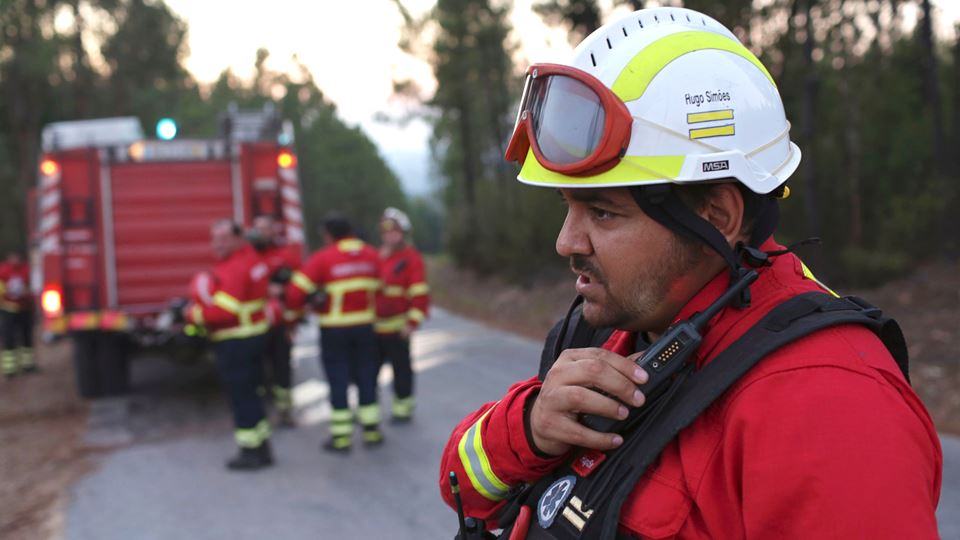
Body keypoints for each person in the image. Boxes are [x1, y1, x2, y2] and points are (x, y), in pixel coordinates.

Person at [439, 7, 941, 539]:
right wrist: (529, 428)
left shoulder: (829, 407)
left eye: (603, 212)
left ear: (717, 217)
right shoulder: (618, 325)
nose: (566, 242)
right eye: (567, 207)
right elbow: (461, 488)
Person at [287, 215, 383, 452]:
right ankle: (371, 431)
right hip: (366, 328)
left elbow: (295, 292)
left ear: (328, 235)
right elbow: (382, 287)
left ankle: (341, 438)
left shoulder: (323, 258)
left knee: (338, 380)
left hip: (335, 330)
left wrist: (307, 305)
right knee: (366, 376)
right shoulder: (372, 255)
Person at [184, 219, 273, 471]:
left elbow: (224, 313)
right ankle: (262, 447)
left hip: (236, 342)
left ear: (239, 239)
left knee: (242, 398)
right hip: (253, 337)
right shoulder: (252, 259)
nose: (217, 244)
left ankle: (250, 452)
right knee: (252, 396)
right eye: (214, 238)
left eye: (223, 238)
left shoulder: (235, 267)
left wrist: (192, 315)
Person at [375, 207, 430, 423]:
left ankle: (403, 409)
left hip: (399, 329)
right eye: (386, 232)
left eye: (394, 231)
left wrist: (412, 323)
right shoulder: (377, 256)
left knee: (402, 371)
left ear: (403, 233)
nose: (390, 236)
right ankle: (369, 408)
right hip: (375, 328)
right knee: (368, 372)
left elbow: (419, 293)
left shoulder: (411, 258)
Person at [249, 215, 303, 428]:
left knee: (282, 369)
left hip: (280, 325)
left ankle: (284, 411)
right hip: (253, 327)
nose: (262, 233)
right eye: (258, 228)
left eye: (266, 228)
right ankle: (260, 412)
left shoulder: (285, 256)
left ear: (274, 231)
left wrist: (284, 291)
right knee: (256, 371)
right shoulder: (247, 256)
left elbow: (302, 286)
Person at [0, 251, 36, 379]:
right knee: (9, 340)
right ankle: (10, 369)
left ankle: (28, 365)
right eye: (13, 257)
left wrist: (27, 292)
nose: (15, 259)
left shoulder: (26, 269)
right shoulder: (3, 270)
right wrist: (7, 291)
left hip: (24, 308)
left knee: (27, 337)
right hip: (8, 309)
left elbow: (33, 285)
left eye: (17, 257)